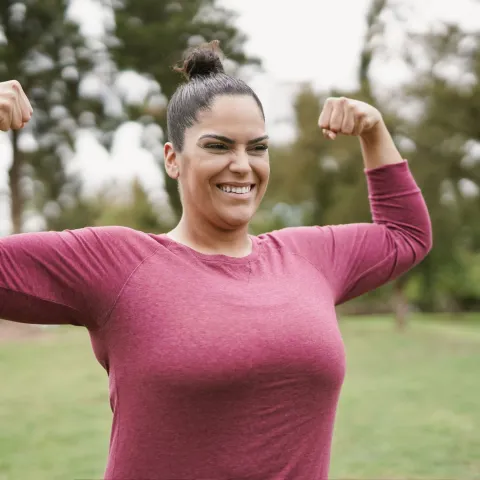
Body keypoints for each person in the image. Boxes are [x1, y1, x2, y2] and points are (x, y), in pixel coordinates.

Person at [0, 41, 432, 480]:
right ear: (173, 159)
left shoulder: (308, 257)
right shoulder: (116, 265)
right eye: (218, 146)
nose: (242, 165)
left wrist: (375, 131)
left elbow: (406, 236)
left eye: (257, 148)